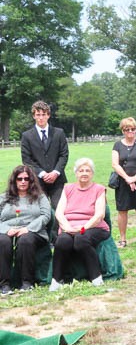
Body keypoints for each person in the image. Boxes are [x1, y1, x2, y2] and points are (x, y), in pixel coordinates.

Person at [50, 158, 111, 291]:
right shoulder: (68, 188)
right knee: (62, 241)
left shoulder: (99, 189)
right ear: (76, 173)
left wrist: (83, 228)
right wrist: (66, 227)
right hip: (69, 226)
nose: (84, 173)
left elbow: (100, 215)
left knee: (81, 239)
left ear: (92, 173)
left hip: (93, 226)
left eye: (87, 171)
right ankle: (56, 280)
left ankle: (96, 278)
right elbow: (59, 212)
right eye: (81, 170)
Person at [0, 166, 51, 294]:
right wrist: (6, 229)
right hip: (7, 229)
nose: (23, 181)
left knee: (25, 241)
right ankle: (4, 284)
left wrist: (28, 228)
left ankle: (26, 282)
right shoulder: (4, 197)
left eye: (26, 179)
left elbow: (46, 215)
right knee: (3, 242)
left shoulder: (40, 197)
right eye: (19, 179)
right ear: (14, 180)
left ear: (31, 180)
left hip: (33, 230)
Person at [111, 117, 136, 248]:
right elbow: (115, 164)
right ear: (122, 131)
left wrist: (135, 178)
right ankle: (122, 239)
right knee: (122, 210)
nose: (130, 132)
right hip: (122, 182)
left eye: (133, 129)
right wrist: (127, 179)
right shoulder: (117, 145)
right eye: (127, 129)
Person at [20, 100, 69, 208]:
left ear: (48, 115)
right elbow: (27, 160)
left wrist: (55, 172)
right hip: (38, 181)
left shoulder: (59, 133)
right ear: (34, 116)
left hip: (57, 180)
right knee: (42, 210)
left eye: (44, 114)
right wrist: (42, 174)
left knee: (59, 208)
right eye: (38, 115)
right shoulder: (26, 136)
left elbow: (64, 155)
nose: (41, 117)